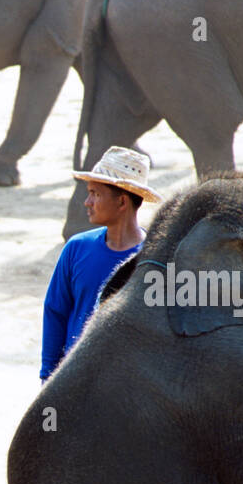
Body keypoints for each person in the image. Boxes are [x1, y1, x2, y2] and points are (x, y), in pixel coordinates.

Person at [40, 146, 161, 380]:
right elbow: (56, 312)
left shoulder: (155, 259)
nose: (87, 202)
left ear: (122, 202)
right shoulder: (76, 249)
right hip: (74, 380)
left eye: (95, 194)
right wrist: (48, 377)